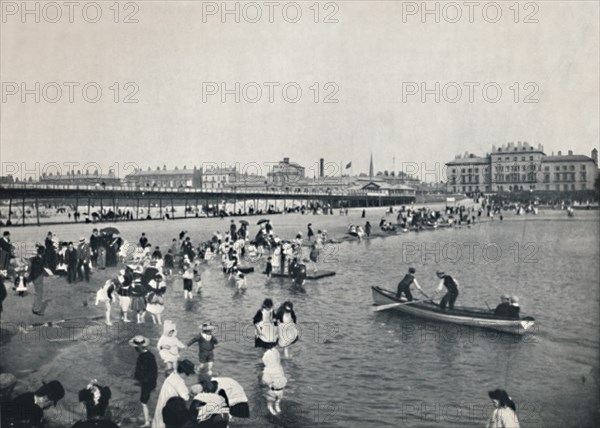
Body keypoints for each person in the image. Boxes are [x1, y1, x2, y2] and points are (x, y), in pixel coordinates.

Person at [152, 359, 195, 428]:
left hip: (163, 405)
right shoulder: (179, 382)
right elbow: (186, 398)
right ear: (184, 373)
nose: (188, 376)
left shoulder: (173, 375)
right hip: (170, 409)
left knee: (159, 422)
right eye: (188, 374)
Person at [130, 335, 158, 428]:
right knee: (146, 399)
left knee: (143, 402)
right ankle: (147, 416)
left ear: (138, 348)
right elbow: (154, 371)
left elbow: (143, 372)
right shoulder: (150, 355)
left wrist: (140, 380)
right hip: (150, 382)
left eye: (135, 347)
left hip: (146, 383)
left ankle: (147, 422)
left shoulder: (143, 357)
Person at [262, 348, 287, 415]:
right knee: (277, 404)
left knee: (269, 406)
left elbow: (265, 381)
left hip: (273, 391)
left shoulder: (267, 370)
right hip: (281, 391)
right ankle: (279, 412)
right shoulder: (279, 367)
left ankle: (274, 416)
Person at [29, 245, 47, 316]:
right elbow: (39, 270)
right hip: (38, 278)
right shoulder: (40, 260)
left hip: (35, 278)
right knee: (39, 294)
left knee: (37, 293)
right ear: (42, 253)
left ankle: (35, 307)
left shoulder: (35, 259)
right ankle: (36, 309)